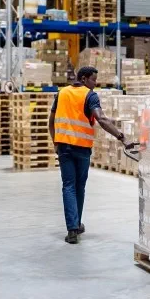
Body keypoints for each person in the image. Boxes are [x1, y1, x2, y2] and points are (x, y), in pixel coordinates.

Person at [49, 66, 131, 244]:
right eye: (94, 80)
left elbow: (51, 119)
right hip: (81, 148)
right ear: (84, 79)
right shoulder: (90, 95)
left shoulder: (61, 93)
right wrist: (122, 137)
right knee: (79, 187)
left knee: (68, 186)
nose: (95, 83)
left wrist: (55, 141)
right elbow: (101, 119)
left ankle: (73, 229)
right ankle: (76, 224)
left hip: (63, 147)